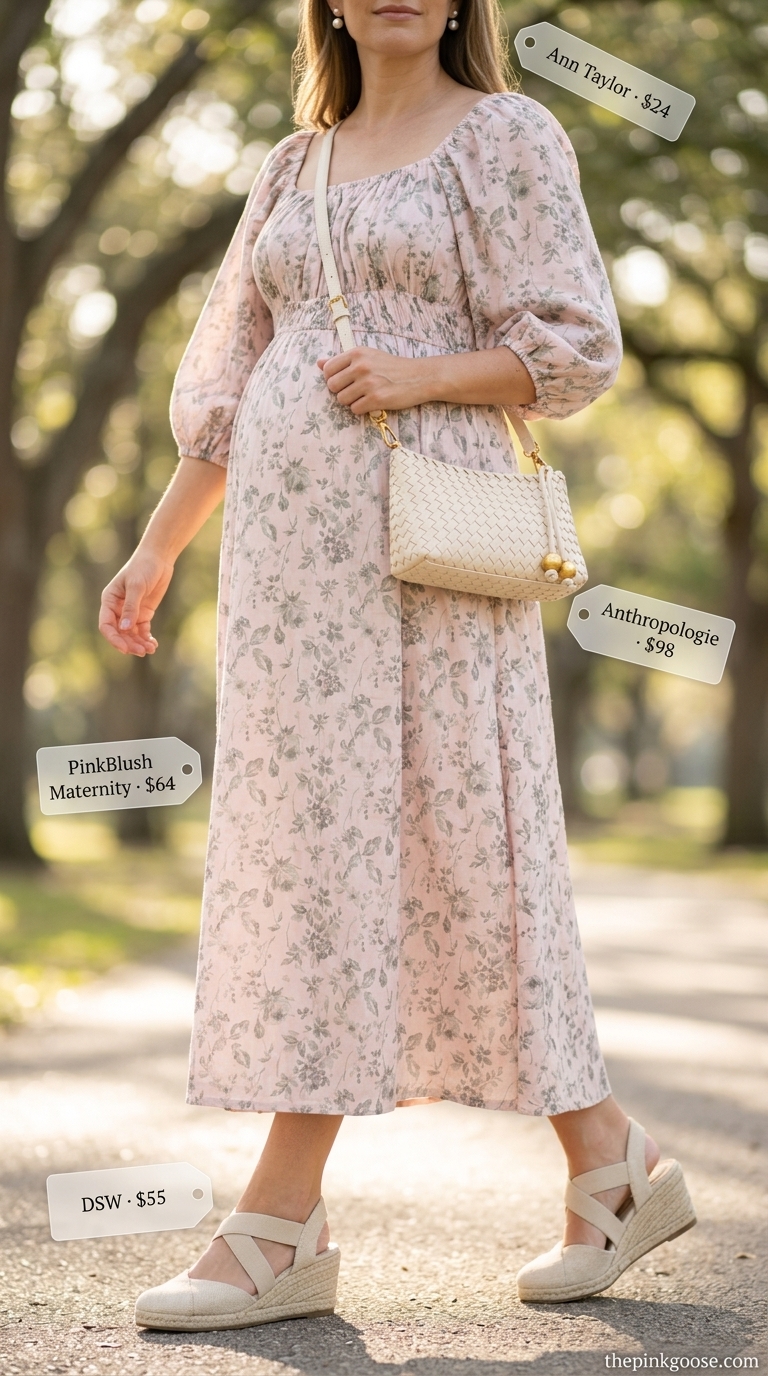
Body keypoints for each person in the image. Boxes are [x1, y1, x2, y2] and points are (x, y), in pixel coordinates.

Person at [99, 0, 696, 1331]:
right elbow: (232, 377)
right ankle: (611, 1165)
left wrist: (423, 375)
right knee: (315, 853)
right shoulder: (291, 166)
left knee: (459, 850)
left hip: (431, 557)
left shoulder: (508, 134)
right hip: (289, 585)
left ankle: (279, 1221)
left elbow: (577, 348)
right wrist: (153, 556)